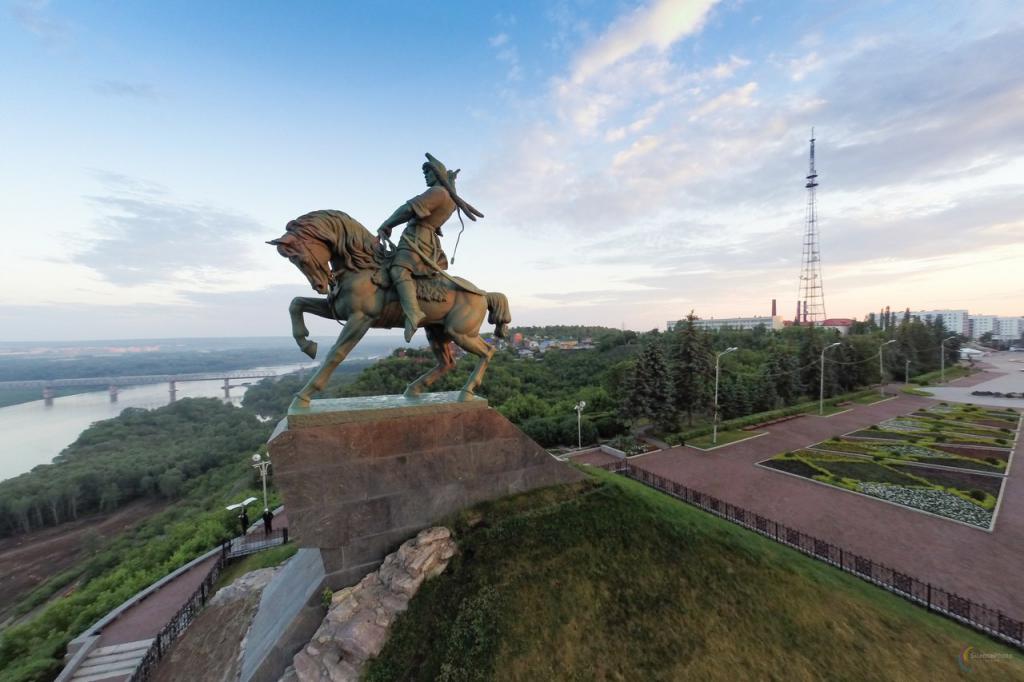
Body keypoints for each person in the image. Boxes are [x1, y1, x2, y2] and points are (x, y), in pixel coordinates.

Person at [377, 153, 483, 342]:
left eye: (428, 172)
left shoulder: (439, 193)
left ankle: (413, 313)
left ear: (437, 174)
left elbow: (409, 208)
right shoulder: (449, 197)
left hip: (418, 237)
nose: (425, 176)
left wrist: (388, 223)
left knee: (399, 270)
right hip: (428, 239)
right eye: (424, 173)